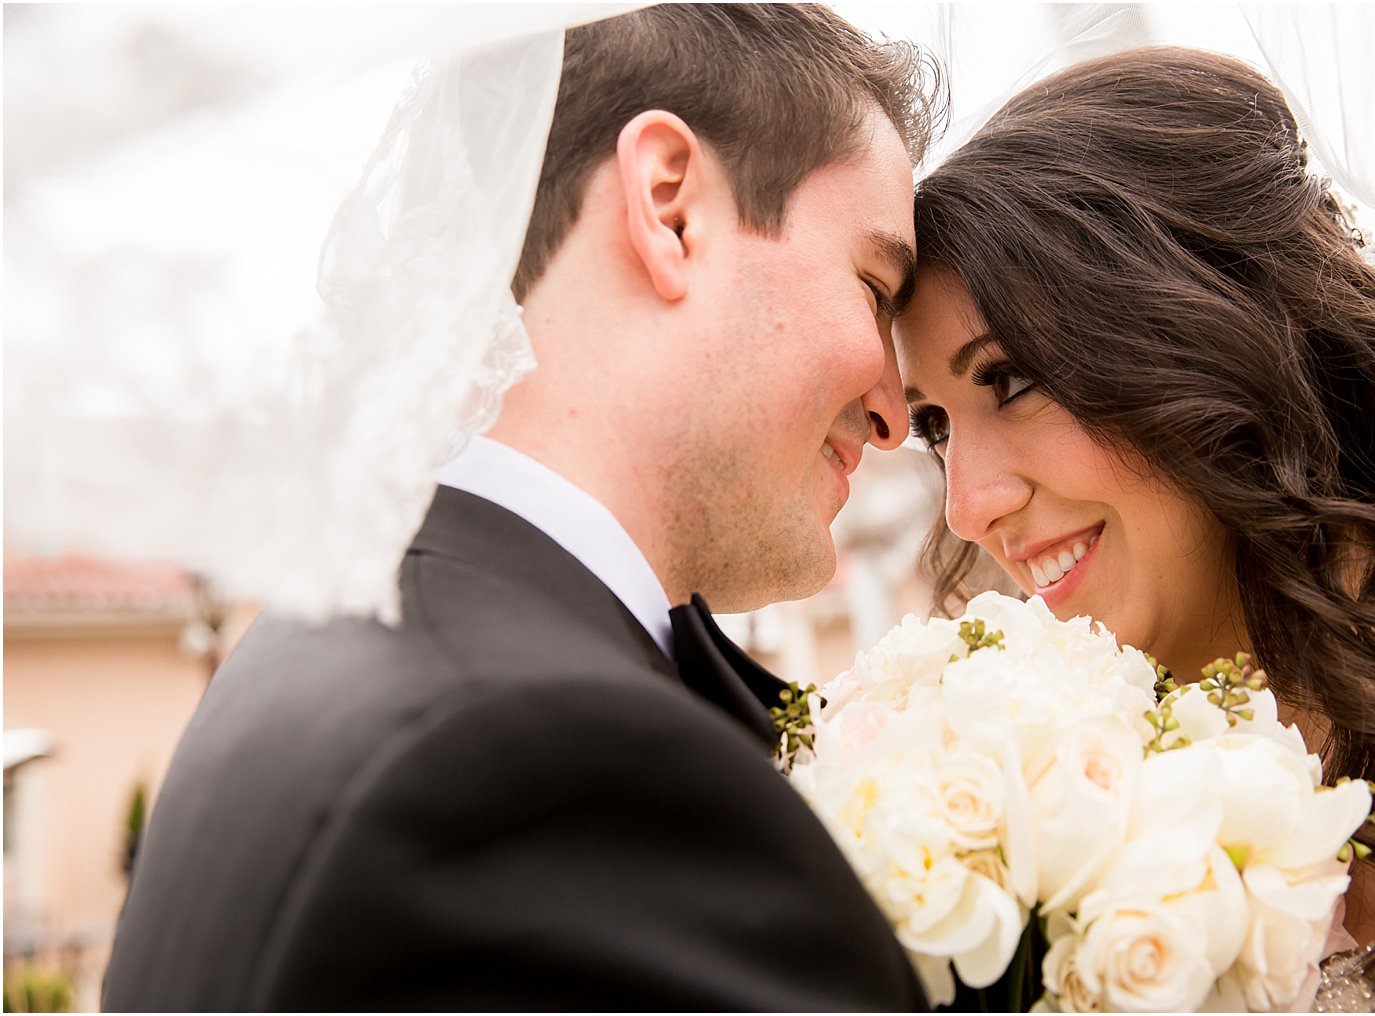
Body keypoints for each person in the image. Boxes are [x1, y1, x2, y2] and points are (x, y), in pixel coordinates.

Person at [103, 6, 942, 1010]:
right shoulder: (556, 764)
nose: (894, 412)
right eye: (874, 286)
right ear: (670, 205)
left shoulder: (310, 639)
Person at [894, 47, 1375, 1010]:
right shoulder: (1085, 787)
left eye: (1013, 382)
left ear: (1201, 343)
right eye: (935, 427)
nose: (967, 506)